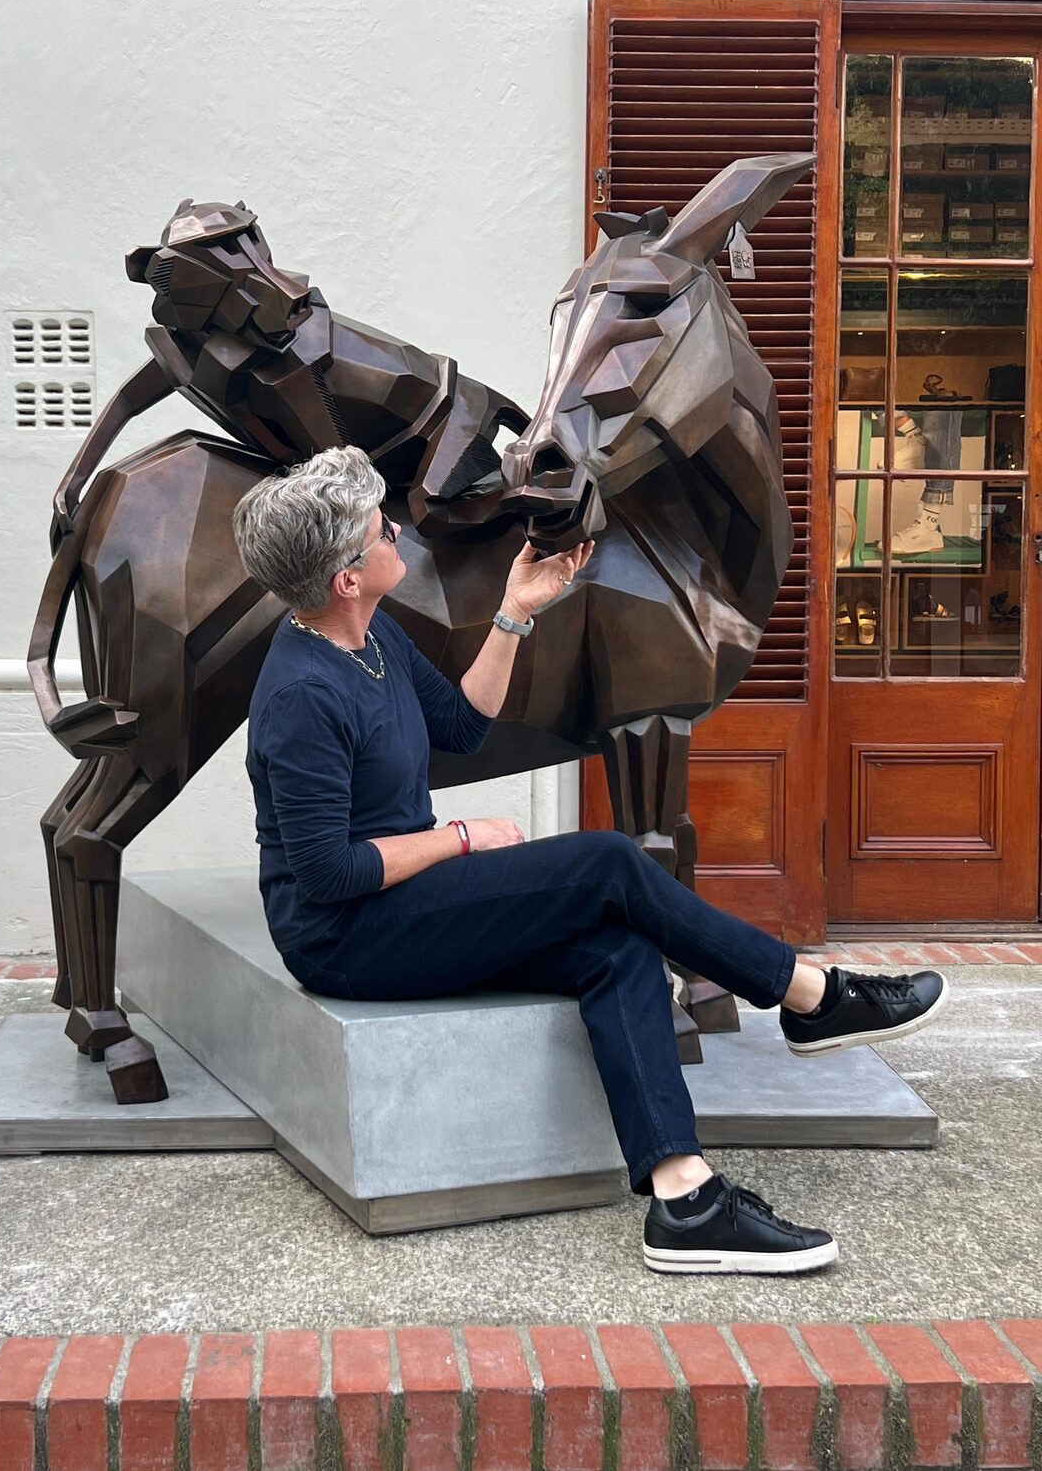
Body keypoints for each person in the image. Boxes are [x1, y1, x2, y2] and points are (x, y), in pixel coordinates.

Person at [232, 446, 948, 1276]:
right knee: (607, 864)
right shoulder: (299, 697)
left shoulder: (374, 637)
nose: (395, 529)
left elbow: (463, 726)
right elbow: (328, 874)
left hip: (406, 893)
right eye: (377, 528)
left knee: (617, 947)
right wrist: (458, 840)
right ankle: (809, 995)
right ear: (344, 579)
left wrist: (514, 612)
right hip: (345, 933)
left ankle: (684, 1199)